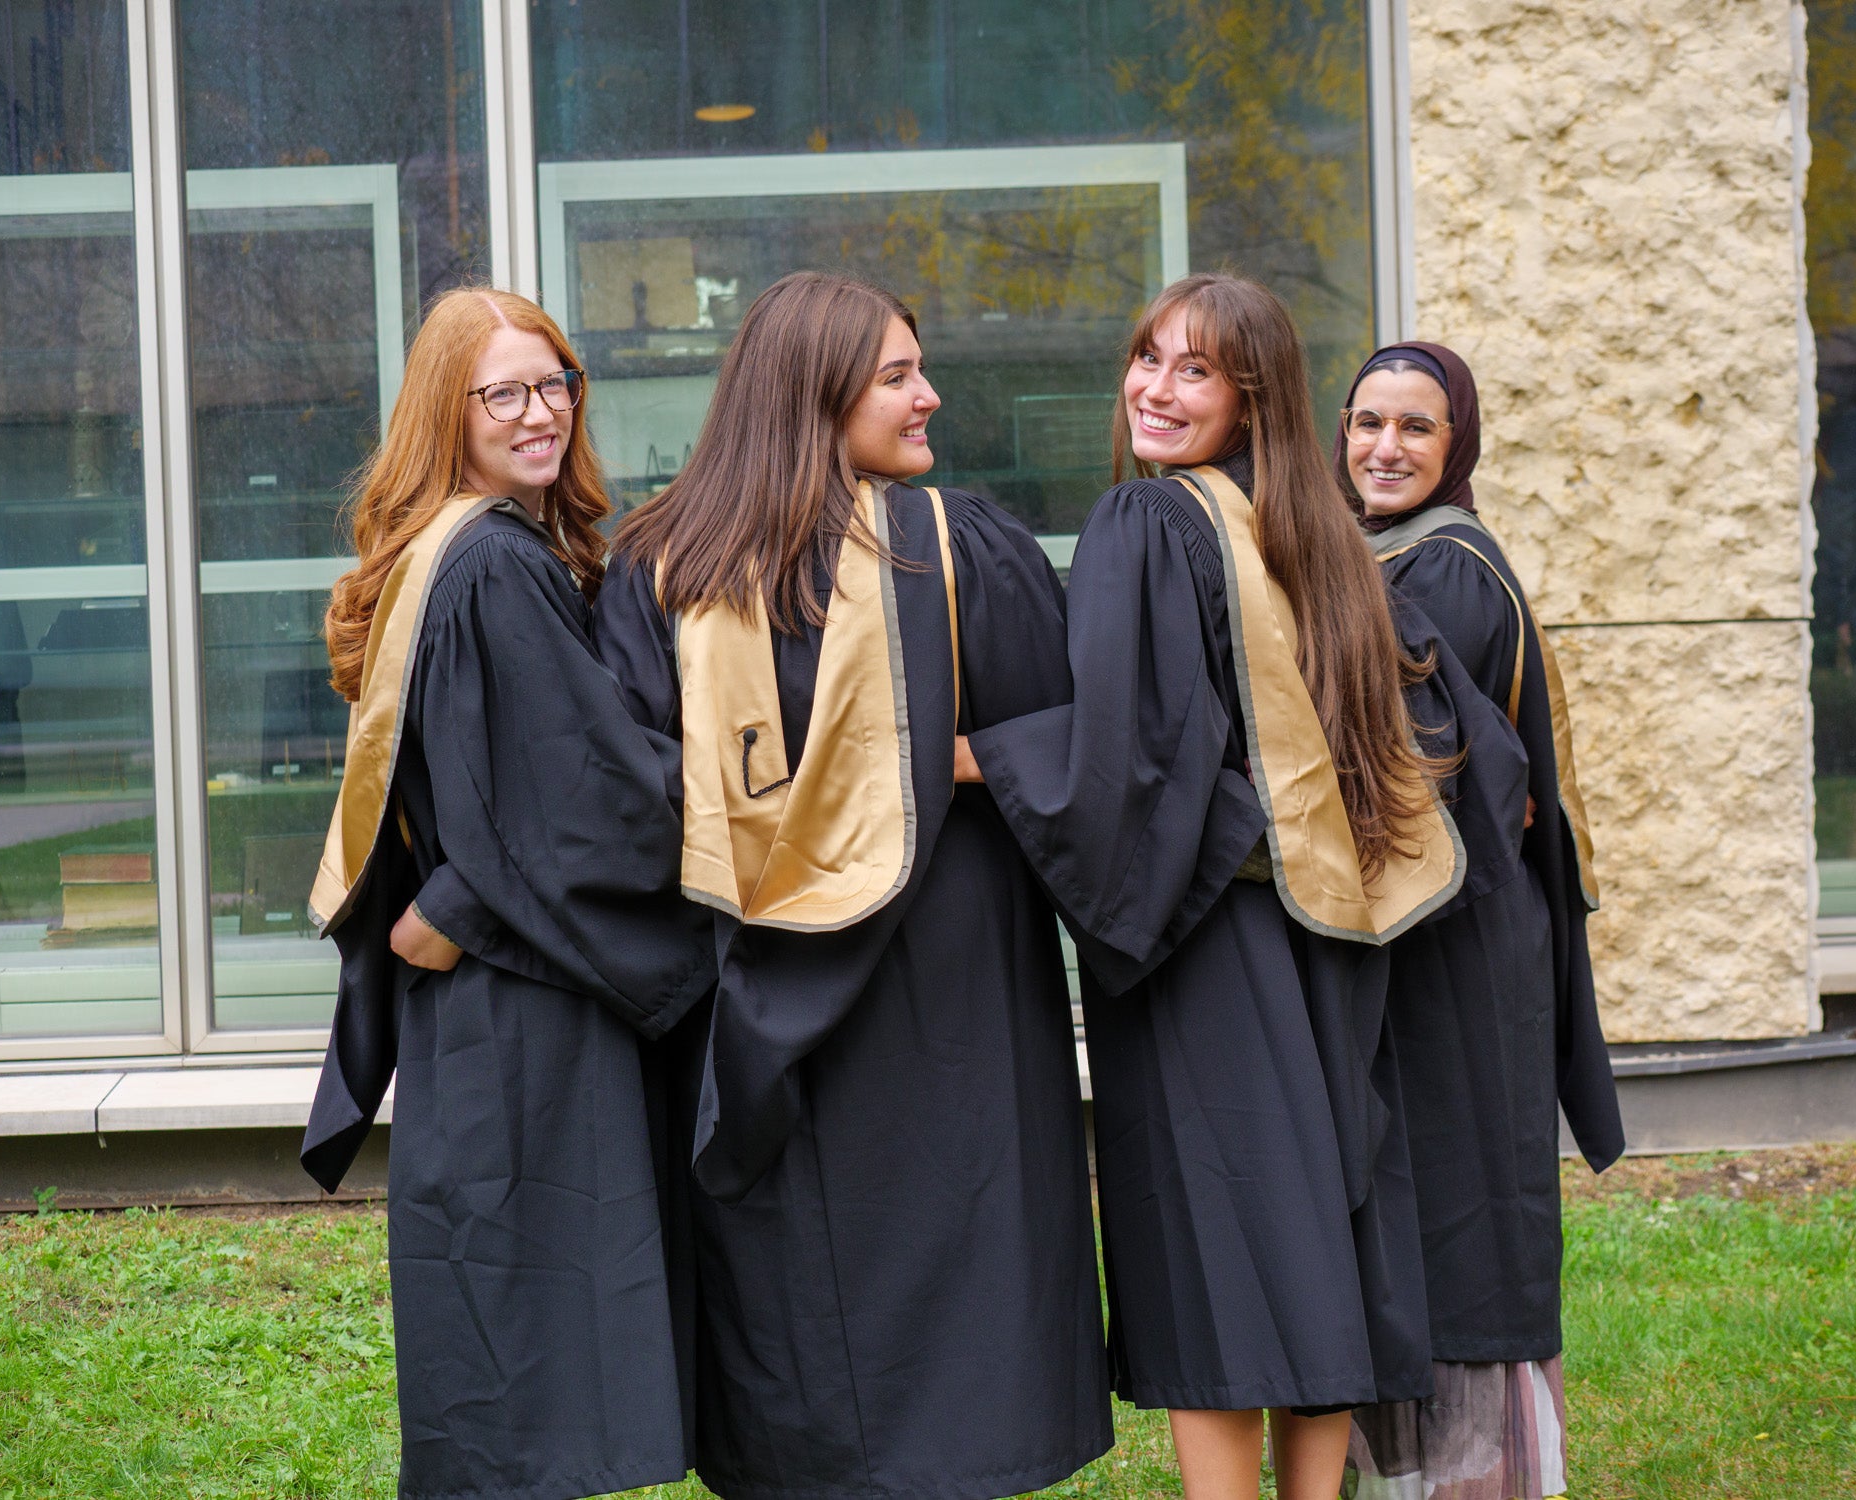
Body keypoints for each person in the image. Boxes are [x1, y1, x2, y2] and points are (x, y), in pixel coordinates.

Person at [958, 272, 1502, 1500]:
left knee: (1216, 1245)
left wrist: (979, 753)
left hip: (1206, 942)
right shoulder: (1310, 529)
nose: (1153, 388)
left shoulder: (1148, 525)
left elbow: (1132, 755)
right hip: (1330, 941)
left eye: (1192, 369)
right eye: (1146, 357)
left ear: (1249, 395)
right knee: (1320, 1230)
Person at [599, 270, 1111, 1500]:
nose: (928, 395)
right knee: (952, 1306)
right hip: (951, 993)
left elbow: (626, 791)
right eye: (897, 376)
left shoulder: (660, 565)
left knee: (796, 1310)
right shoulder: (956, 551)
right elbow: (1069, 752)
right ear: (813, 395)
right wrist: (958, 761)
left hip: (762, 994)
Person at [301, 286, 714, 1500]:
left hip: (494, 974)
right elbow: (579, 800)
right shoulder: (490, 564)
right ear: (450, 410)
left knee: (504, 1313)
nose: (537, 413)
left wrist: (453, 909)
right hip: (525, 996)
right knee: (522, 1331)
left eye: (554, 384)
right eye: (503, 393)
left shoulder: (478, 549)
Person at [1337, 340, 1624, 1500]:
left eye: (1415, 428)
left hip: (1458, 941)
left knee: (1461, 1222)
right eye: (1365, 422)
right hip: (1425, 931)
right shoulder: (1380, 553)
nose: (1383, 448)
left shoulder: (1445, 570)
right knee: (1411, 1206)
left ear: (1455, 447)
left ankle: (1474, 1480)